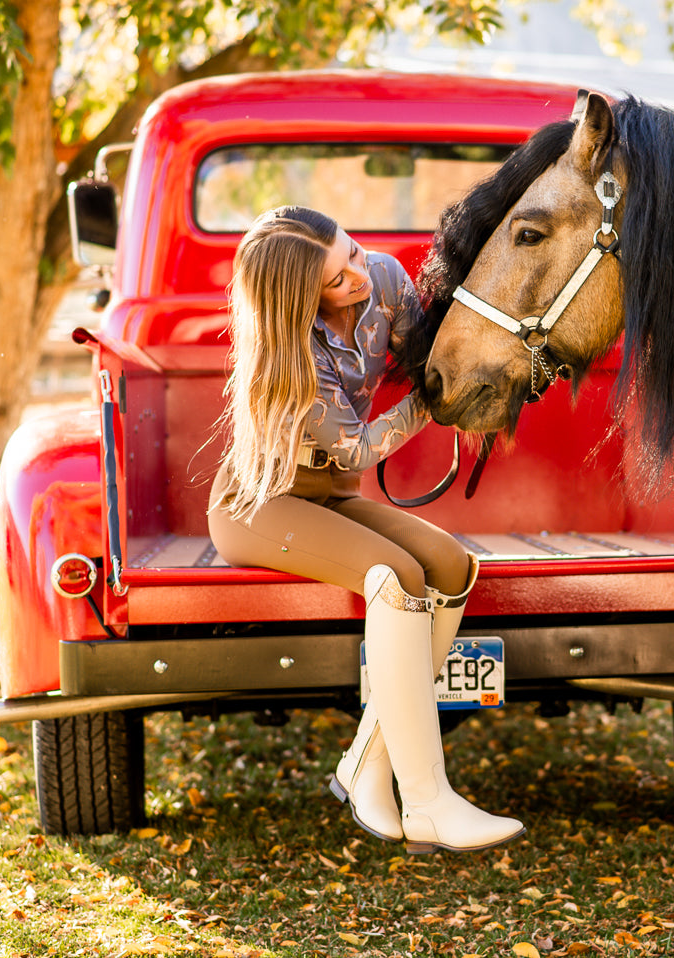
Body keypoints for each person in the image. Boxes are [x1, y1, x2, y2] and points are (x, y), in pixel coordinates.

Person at [206, 206, 524, 854]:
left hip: (332, 495)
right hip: (259, 503)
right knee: (396, 576)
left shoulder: (381, 278)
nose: (359, 275)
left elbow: (430, 356)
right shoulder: (291, 349)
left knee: (450, 563)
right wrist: (437, 402)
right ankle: (429, 801)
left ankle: (364, 764)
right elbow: (358, 447)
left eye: (351, 252)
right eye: (336, 278)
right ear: (298, 300)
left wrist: (489, 368)